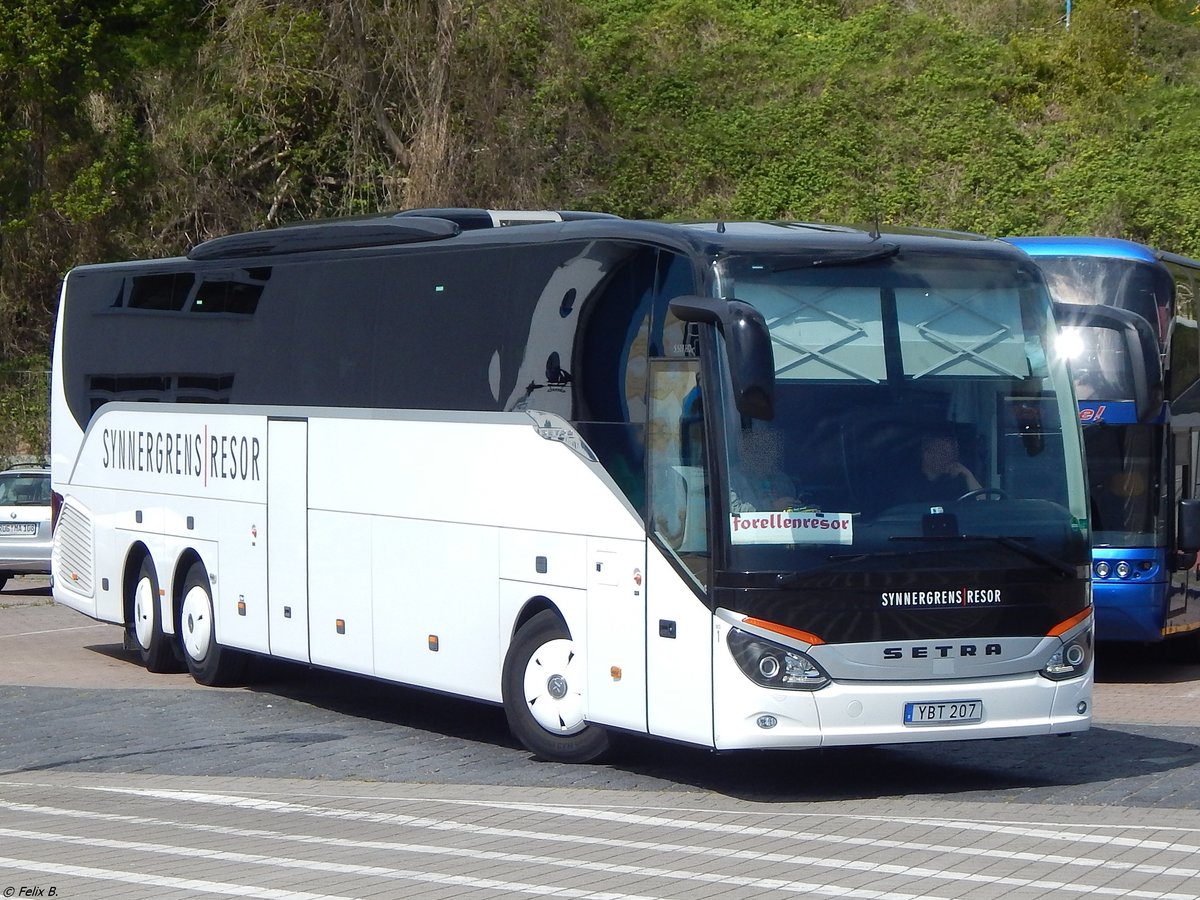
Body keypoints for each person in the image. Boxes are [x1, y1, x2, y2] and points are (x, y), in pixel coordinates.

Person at [729, 427, 806, 513]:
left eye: (769, 448)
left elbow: (795, 509)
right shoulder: (731, 480)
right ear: (744, 452)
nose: (764, 454)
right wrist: (771, 507)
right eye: (757, 448)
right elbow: (732, 511)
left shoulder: (783, 480)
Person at [917, 432, 982, 504]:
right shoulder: (910, 483)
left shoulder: (956, 481)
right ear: (927, 454)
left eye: (952, 454)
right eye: (944, 453)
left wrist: (968, 475)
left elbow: (985, 504)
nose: (950, 458)